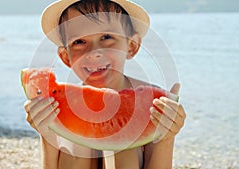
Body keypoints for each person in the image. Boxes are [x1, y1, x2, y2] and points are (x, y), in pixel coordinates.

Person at [24, 0, 186, 168]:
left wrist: (166, 138)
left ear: (132, 46)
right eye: (79, 42)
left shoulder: (150, 103)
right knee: (77, 145)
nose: (94, 53)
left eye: (107, 37)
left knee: (124, 148)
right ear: (66, 57)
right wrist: (47, 134)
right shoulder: (56, 106)